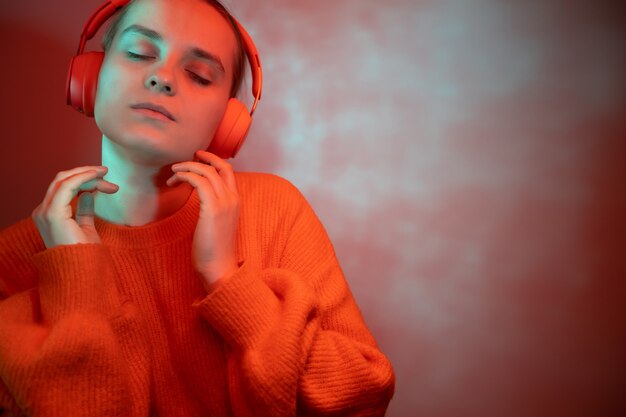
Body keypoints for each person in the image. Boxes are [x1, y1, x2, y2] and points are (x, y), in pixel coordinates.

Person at [0, 0, 396, 415]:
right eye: (139, 53)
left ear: (227, 124)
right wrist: (77, 288)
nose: (163, 77)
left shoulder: (276, 209)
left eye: (199, 74)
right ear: (90, 76)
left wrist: (228, 281)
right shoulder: (16, 260)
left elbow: (363, 399)